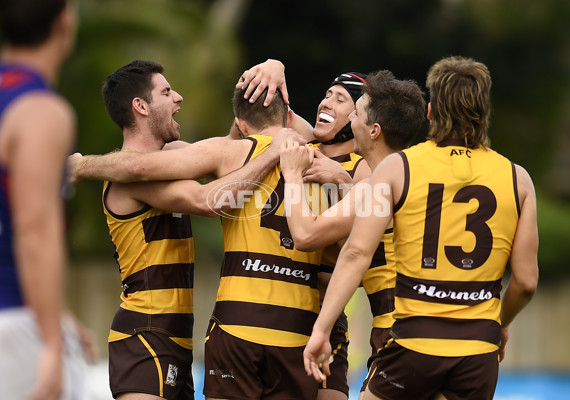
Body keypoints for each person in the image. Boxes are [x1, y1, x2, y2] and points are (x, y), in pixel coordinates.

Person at [303, 56, 539, 400]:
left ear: (430, 111)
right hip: (477, 353)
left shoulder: (399, 167)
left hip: (415, 343)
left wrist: (321, 330)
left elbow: (356, 252)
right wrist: (500, 323)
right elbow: (527, 282)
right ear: (485, 112)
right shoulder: (518, 179)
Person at [69, 82, 325, 399]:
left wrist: (264, 79)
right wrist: (81, 164)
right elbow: (207, 201)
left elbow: (234, 150)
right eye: (165, 92)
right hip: (144, 330)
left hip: (177, 336)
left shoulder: (178, 156)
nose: (178, 97)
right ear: (140, 106)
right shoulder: (125, 177)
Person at [279, 70, 426, 396]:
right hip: (449, 332)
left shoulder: (376, 187)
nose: (351, 117)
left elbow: (305, 235)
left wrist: (291, 175)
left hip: (397, 330)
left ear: (373, 130)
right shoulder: (422, 175)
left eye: (355, 111)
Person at [239, 60, 372, 400]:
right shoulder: (299, 144)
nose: (326, 102)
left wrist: (341, 180)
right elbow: (252, 111)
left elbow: (362, 236)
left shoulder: (364, 171)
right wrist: (275, 65)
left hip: (326, 320)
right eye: (327, 94)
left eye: (341, 99)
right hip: (278, 313)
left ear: (359, 120)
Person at [0, 1, 93, 399]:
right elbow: (34, 230)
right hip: (14, 320)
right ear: (64, 22)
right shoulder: (40, 111)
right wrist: (52, 342)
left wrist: (56, 314)